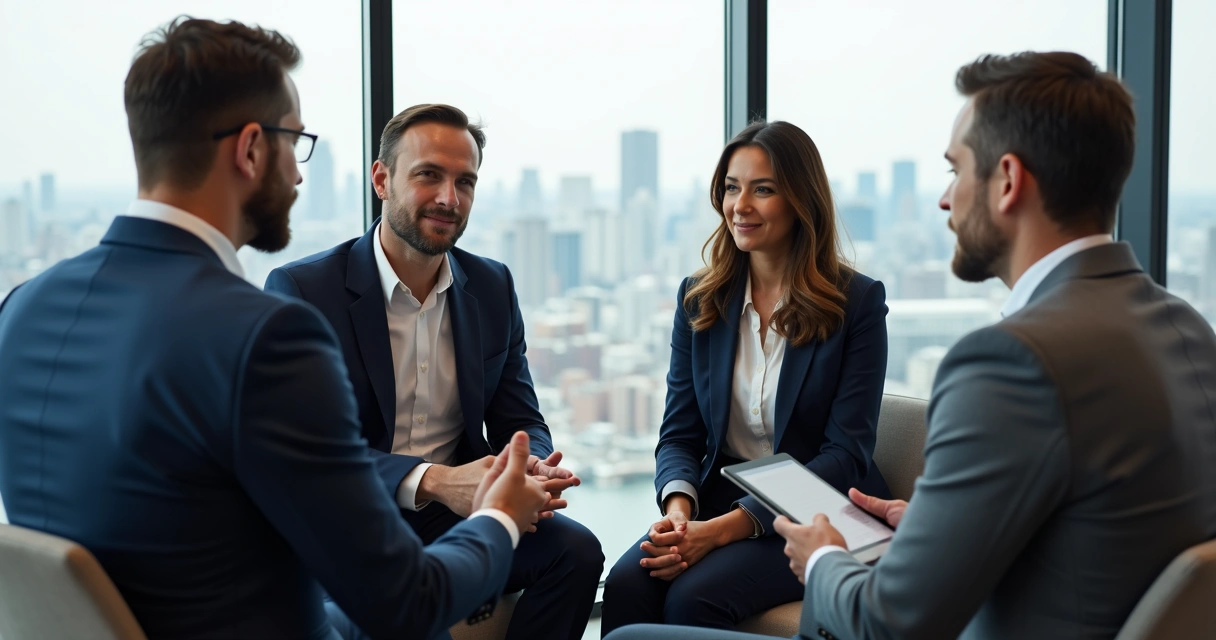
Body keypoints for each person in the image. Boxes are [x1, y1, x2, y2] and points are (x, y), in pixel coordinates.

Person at [606, 51, 1216, 640]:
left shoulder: (1008, 363)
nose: (946, 199)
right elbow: (1075, 524)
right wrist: (925, 529)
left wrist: (823, 558)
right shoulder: (1189, 330)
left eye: (955, 170)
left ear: (1006, 181)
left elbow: (889, 622)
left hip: (842, 537)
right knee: (632, 587)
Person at [0, 18, 549, 640]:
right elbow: (406, 603)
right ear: (252, 148)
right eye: (296, 142)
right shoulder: (266, 337)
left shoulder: (22, 309)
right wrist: (500, 516)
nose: (297, 174)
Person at [264, 103, 603, 640]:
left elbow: (520, 414)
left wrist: (526, 465)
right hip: (349, 522)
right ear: (382, 179)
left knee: (577, 553)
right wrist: (439, 482)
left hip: (459, 515)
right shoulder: (304, 292)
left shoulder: (492, 286)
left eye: (464, 182)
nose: (449, 198)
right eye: (428, 175)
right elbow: (306, 457)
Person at [600, 120, 891, 635]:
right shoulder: (700, 298)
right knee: (627, 585)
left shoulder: (856, 303)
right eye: (732, 188)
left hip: (816, 506)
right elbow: (680, 432)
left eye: (764, 189)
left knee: (694, 599)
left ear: (801, 199)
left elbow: (845, 453)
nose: (741, 205)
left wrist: (724, 530)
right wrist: (681, 511)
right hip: (717, 495)